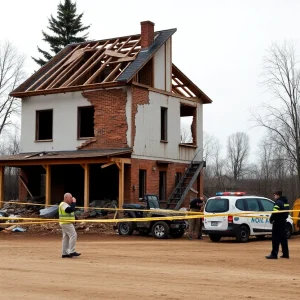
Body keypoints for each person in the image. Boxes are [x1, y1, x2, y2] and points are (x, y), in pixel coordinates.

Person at [266, 191, 290, 259]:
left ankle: (274, 254)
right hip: (283, 222)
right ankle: (286, 254)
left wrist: (271, 219)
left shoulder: (278, 202)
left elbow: (274, 213)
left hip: (277, 222)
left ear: (277, 195)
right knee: (283, 239)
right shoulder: (286, 202)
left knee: (275, 239)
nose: (274, 196)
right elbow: (287, 212)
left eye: (275, 195)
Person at [59, 193, 81, 258]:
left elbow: (70, 212)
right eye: (70, 197)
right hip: (66, 223)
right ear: (65, 198)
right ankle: (72, 251)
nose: (72, 199)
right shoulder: (63, 204)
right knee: (73, 235)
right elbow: (69, 210)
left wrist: (75, 219)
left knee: (66, 238)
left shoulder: (67, 205)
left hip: (66, 223)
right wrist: (74, 203)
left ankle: (65, 253)